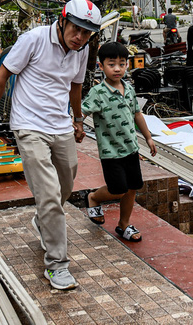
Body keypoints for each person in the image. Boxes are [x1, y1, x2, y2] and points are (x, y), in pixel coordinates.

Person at [0, 0, 102, 291]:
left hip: (60, 126)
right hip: (28, 126)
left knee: (65, 187)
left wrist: (79, 119)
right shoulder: (32, 40)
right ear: (62, 20)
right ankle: (57, 265)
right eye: (76, 29)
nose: (80, 37)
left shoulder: (80, 51)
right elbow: (2, 76)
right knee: (48, 194)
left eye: (87, 33)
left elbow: (75, 86)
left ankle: (42, 221)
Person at [81, 42, 158, 243]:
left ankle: (124, 225)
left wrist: (148, 137)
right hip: (110, 151)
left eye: (122, 64)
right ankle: (94, 198)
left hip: (131, 149)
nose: (117, 69)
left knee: (132, 187)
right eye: (111, 64)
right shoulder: (98, 92)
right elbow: (82, 112)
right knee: (118, 189)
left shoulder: (129, 88)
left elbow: (137, 114)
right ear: (101, 66)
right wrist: (76, 126)